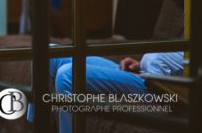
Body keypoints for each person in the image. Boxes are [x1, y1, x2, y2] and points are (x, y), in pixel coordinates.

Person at [30, 52, 184, 132]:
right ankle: (35, 128)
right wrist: (141, 63)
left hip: (157, 86)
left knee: (68, 74)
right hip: (143, 71)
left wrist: (152, 69)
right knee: (46, 55)